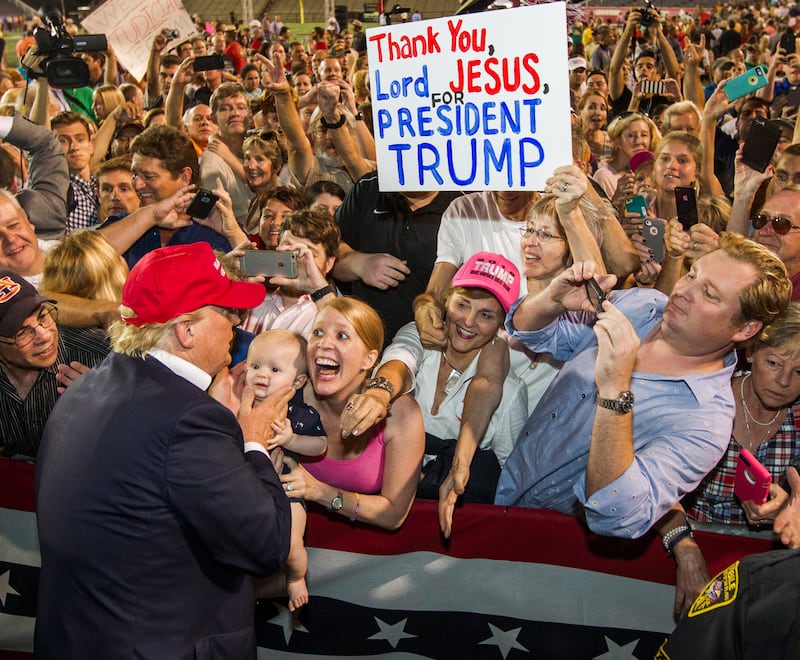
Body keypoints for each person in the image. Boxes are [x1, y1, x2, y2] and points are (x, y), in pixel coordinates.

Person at [35, 242, 293, 658]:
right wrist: (252, 439)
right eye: (226, 311)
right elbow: (266, 544)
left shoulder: (86, 385)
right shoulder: (189, 419)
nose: (238, 324)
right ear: (186, 330)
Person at [496, 233, 791, 541]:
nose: (683, 291)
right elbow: (532, 332)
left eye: (710, 295)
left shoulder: (705, 423)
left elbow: (617, 515)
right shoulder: (643, 303)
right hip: (507, 484)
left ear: (745, 328)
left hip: (555, 545)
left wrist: (615, 391)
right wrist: (551, 301)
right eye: (692, 274)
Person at [375, 252, 527, 507]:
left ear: (501, 325)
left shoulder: (510, 392)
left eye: (486, 315)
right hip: (378, 503)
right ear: (447, 301)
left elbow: (509, 478)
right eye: (463, 304)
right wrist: (376, 392)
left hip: (453, 520)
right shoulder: (420, 338)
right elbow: (399, 360)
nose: (468, 321)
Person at [278, 297, 425, 530]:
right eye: (317, 333)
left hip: (367, 555)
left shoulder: (400, 415)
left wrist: (318, 491)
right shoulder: (285, 397)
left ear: (369, 359)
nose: (323, 344)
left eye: (342, 336)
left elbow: (393, 515)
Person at [684, 302, 800, 525]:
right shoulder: (708, 400)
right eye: (774, 363)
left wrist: (789, 509)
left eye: (799, 371)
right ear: (751, 352)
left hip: (768, 551)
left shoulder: (796, 418)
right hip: (696, 538)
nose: (783, 381)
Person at [245, 329, 326, 612]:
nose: (261, 374)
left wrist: (292, 440)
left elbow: (320, 446)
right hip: (247, 493)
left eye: (274, 369)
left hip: (287, 490)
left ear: (299, 381)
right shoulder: (237, 409)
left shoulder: (300, 414)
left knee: (291, 545)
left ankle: (295, 578)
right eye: (254, 366)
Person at [0, 269, 108, 458]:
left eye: (43, 317)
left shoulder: (103, 355)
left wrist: (111, 403)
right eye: (22, 332)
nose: (45, 336)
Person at [242, 208, 339, 337]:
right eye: (289, 250)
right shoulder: (251, 299)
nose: (297, 260)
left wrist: (319, 290)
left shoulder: (326, 314)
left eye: (308, 254)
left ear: (329, 263)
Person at [592, 112, 661, 199]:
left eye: (644, 135)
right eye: (631, 135)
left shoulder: (654, 173)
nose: (638, 141)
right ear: (617, 140)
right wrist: (617, 199)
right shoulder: (603, 176)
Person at [50, 111, 98, 233]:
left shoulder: (100, 184)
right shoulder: (55, 187)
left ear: (91, 145)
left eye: (80, 139)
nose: (74, 147)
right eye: (63, 141)